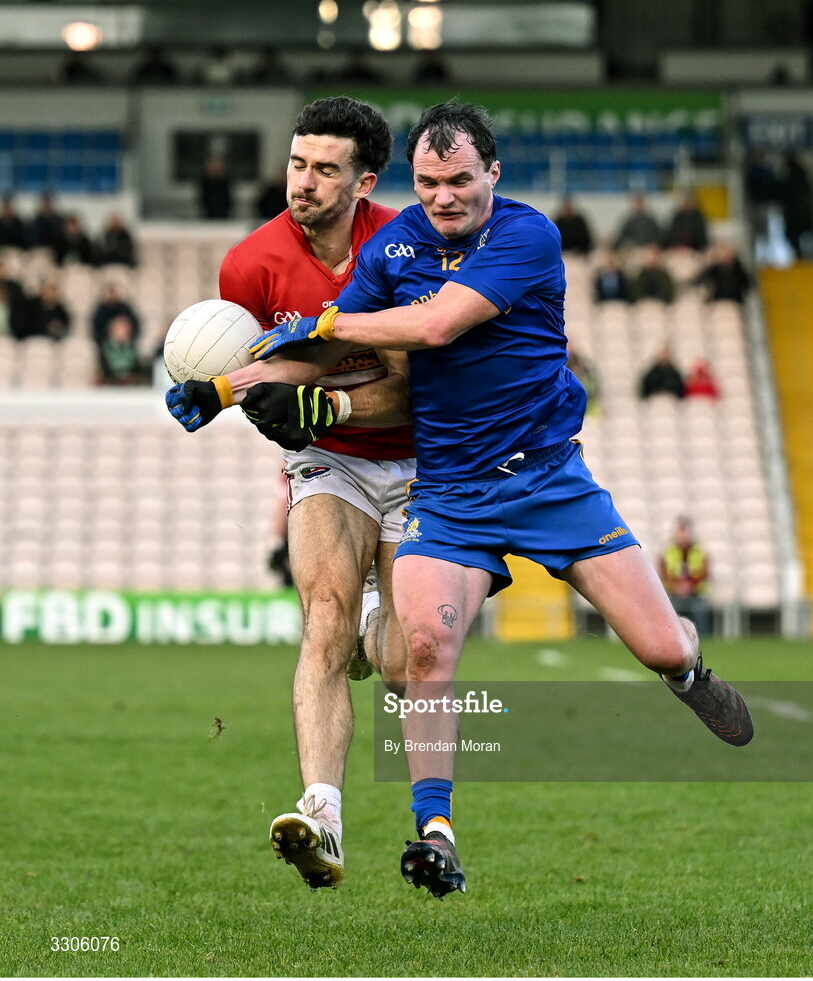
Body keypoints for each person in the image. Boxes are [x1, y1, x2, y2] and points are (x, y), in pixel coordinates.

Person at [166, 101, 753, 899]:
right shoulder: (396, 243)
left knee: (660, 648)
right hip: (447, 492)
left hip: (549, 482)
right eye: (430, 181)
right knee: (425, 654)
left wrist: (327, 343)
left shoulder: (527, 235)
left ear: (493, 175)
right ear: (413, 181)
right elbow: (330, 349)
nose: (444, 197)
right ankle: (433, 833)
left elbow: (435, 328)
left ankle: (689, 669)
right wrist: (227, 387)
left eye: (460, 180)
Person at [171, 97, 415, 891]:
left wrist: (324, 398)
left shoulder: (407, 247)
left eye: (324, 169)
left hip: (423, 459)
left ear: (365, 180)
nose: (302, 182)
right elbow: (275, 380)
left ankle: (381, 613)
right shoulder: (249, 264)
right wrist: (225, 390)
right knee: (323, 620)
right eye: (296, 163)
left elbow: (422, 390)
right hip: (331, 463)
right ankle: (323, 816)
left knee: (405, 660)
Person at [659, 518, 712, 638]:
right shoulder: (667, 551)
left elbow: (705, 573)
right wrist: (677, 587)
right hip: (674, 592)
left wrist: (690, 587)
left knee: (700, 611)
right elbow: (664, 574)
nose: (682, 536)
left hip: (696, 592)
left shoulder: (700, 551)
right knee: (670, 612)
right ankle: (671, 638)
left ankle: (703, 638)